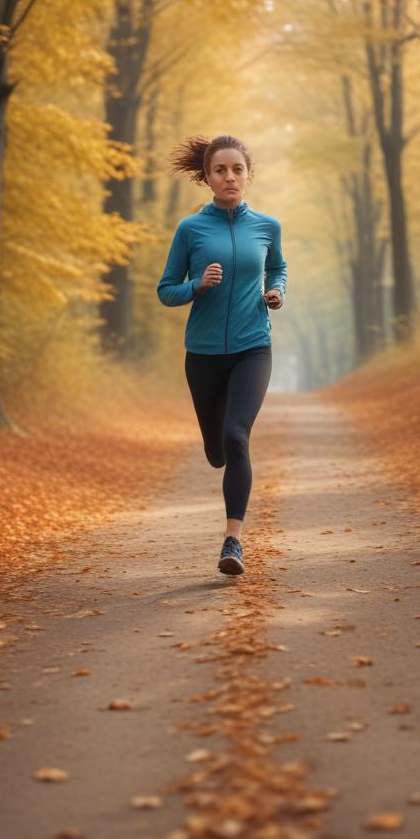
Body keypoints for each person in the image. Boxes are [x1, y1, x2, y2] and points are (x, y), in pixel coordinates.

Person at [156, 134, 287, 576]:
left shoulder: (268, 226)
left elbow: (278, 267)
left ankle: (233, 541)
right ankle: (216, 448)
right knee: (217, 450)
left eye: (237, 170)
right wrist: (197, 286)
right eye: (220, 170)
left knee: (237, 437)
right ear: (208, 178)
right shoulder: (190, 230)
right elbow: (166, 291)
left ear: (248, 175)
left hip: (254, 347)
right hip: (204, 354)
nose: (229, 177)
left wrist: (276, 291)